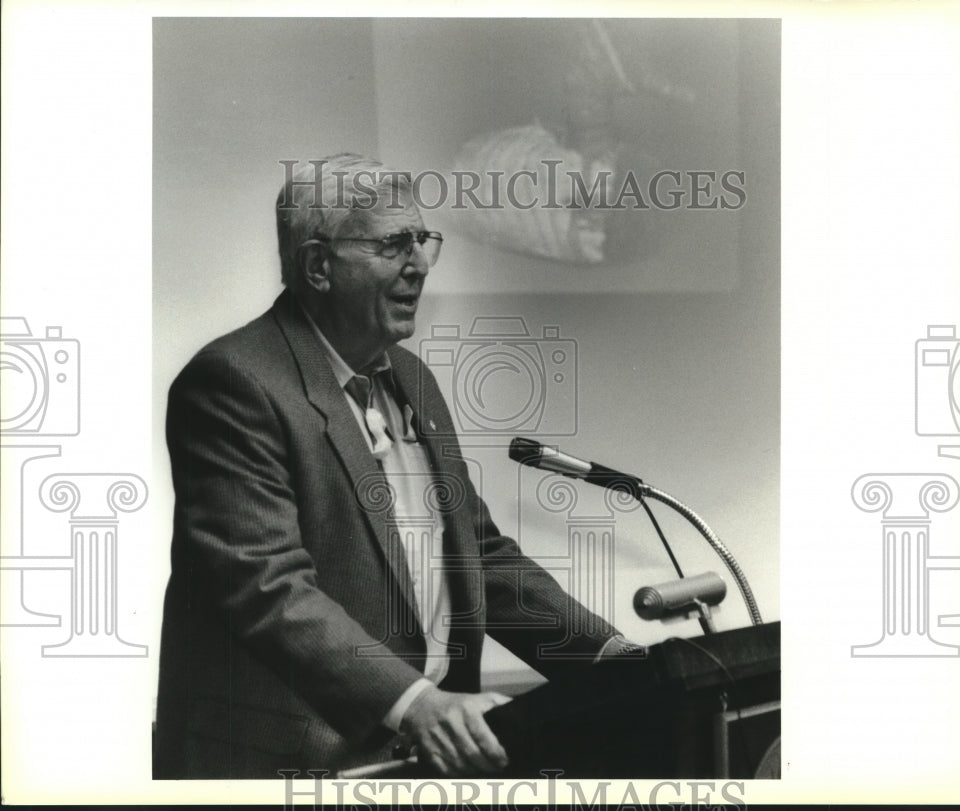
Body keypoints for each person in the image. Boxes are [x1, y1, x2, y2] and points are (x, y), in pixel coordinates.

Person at [153, 153, 633, 780]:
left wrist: (616, 662)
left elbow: (477, 558)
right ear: (318, 266)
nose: (420, 265)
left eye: (423, 241)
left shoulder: (412, 380)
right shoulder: (234, 383)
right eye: (393, 244)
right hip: (293, 768)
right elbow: (267, 586)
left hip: (420, 760)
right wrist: (414, 705)